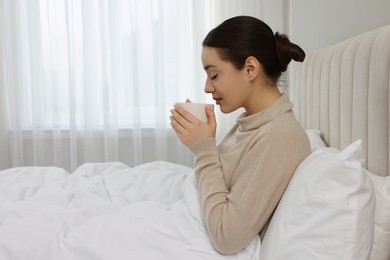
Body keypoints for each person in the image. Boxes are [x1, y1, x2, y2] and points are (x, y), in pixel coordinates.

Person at [170, 16, 311, 255]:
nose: (207, 87)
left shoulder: (280, 136)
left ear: (250, 69)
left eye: (214, 75)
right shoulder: (252, 122)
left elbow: (227, 236)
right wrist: (203, 144)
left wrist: (204, 150)